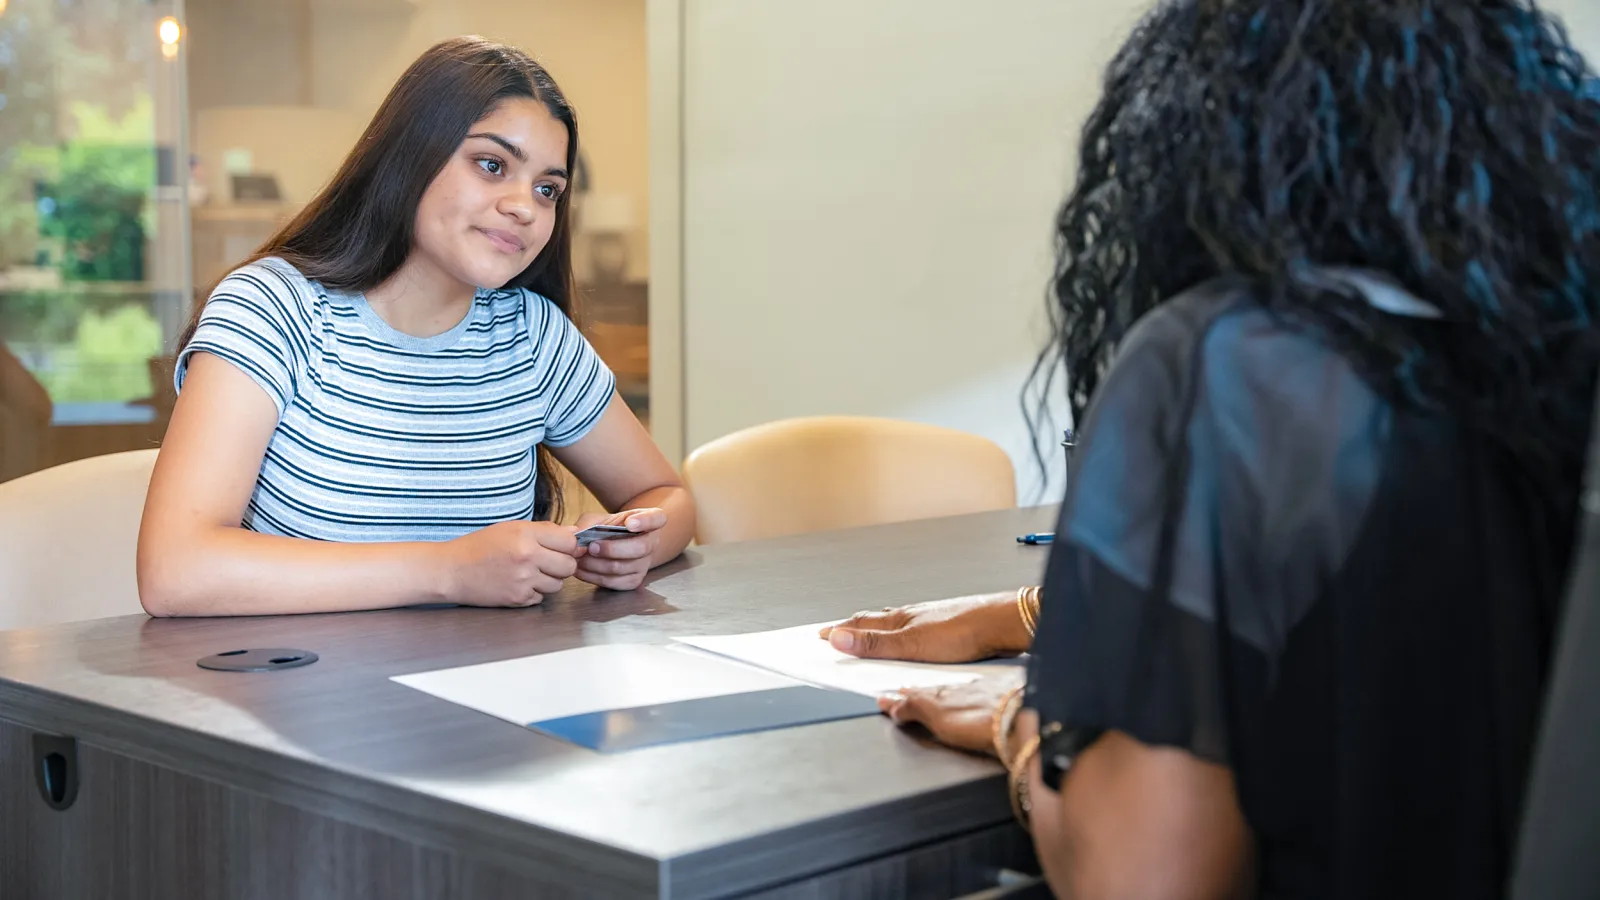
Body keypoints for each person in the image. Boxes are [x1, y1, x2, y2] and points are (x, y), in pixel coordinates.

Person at [822, 1, 1600, 897]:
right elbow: (1397, 616)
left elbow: (1141, 876)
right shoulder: (1537, 355)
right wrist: (1033, 615)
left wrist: (1019, 723)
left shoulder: (1230, 365)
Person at [138, 37, 693, 617]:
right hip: (300, 693)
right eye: (491, 165)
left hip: (488, 689)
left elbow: (668, 498)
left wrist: (636, 545)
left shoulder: (532, 337)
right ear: (411, 155)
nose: (525, 207)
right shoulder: (272, 308)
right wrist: (447, 571)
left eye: (547, 189)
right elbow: (174, 571)